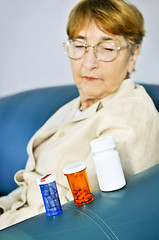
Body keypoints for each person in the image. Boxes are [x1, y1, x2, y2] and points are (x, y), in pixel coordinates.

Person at [0, 0, 159, 230]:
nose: (89, 63)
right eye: (79, 46)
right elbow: (29, 187)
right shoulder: (74, 106)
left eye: (106, 48)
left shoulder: (132, 111)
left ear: (133, 54)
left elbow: (85, 214)